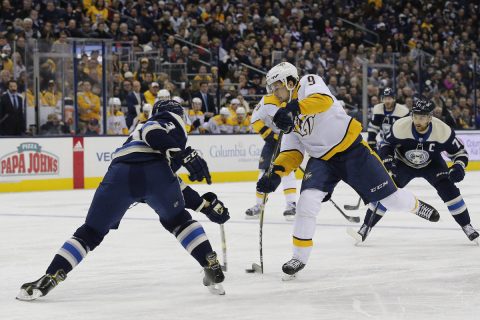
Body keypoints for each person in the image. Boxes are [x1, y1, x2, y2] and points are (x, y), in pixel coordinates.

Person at [17, 100, 230, 301]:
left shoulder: (147, 134)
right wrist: (183, 154)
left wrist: (204, 205)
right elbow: (152, 134)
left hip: (120, 176)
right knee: (178, 220)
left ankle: (50, 277)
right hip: (155, 175)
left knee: (91, 232)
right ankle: (209, 263)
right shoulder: (169, 123)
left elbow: (174, 180)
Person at [256, 62, 440, 278]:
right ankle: (299, 257)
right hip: (322, 160)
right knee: (306, 203)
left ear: (289, 82)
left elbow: (322, 101)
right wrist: (275, 174)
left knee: (391, 200)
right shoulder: (287, 119)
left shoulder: (308, 82)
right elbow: (292, 153)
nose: (274, 94)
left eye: (276, 87)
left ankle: (415, 205)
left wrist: (294, 109)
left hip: (352, 150)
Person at [353, 98, 479, 243]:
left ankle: (467, 226)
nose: (418, 120)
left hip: (432, 163)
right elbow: (386, 144)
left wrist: (458, 167)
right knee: (385, 192)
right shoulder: (400, 126)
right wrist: (388, 160)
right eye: (416, 116)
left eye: (423, 117)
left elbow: (460, 153)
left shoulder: (443, 131)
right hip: (403, 163)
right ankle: (365, 227)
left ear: (430, 117)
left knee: (449, 190)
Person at [245, 90, 297, 220]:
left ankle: (291, 205)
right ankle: (259, 205)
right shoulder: (267, 100)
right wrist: (269, 135)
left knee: (287, 171)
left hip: (289, 140)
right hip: (272, 141)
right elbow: (255, 119)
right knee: (264, 171)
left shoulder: (295, 98)